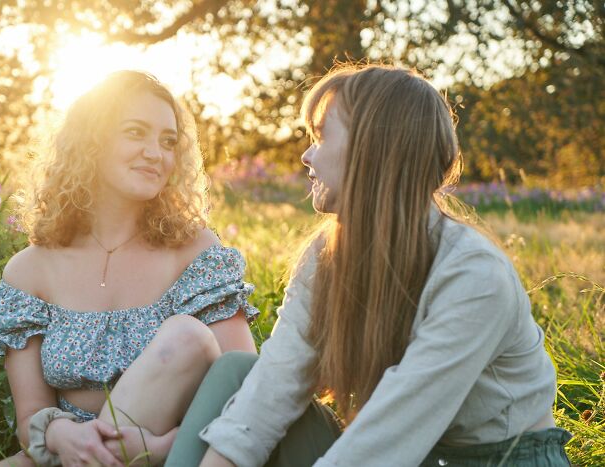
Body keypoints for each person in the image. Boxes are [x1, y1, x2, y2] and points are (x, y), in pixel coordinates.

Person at [166, 63, 571, 466]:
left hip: (497, 460)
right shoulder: (325, 257)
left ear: (373, 148)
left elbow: (383, 444)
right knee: (238, 373)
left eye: (321, 136)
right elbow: (273, 386)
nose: (306, 156)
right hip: (407, 454)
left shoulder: (474, 275)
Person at [0, 71, 258, 467]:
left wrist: (159, 449)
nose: (155, 153)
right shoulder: (30, 271)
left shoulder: (197, 253)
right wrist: (64, 435)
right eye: (135, 132)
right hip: (65, 456)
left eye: (168, 141)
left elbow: (244, 392)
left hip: (177, 455)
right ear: (91, 142)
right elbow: (30, 420)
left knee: (186, 337)